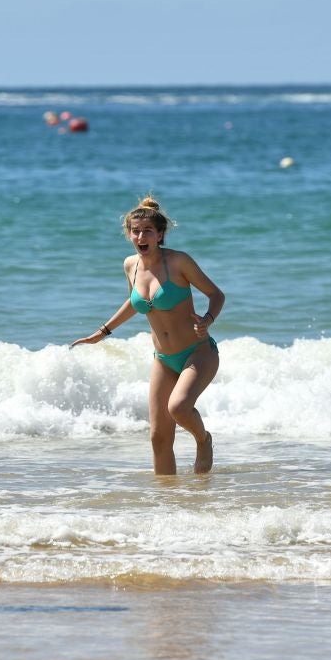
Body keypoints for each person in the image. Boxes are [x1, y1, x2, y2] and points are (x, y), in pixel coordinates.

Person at [72, 194, 224, 474]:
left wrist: (207, 319)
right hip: (163, 359)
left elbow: (216, 294)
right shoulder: (130, 265)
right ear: (129, 233)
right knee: (158, 437)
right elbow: (135, 301)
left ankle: (204, 440)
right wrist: (103, 332)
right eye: (135, 231)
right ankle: (166, 501)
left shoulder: (179, 262)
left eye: (148, 231)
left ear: (160, 234)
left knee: (178, 408)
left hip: (198, 353)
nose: (140, 236)